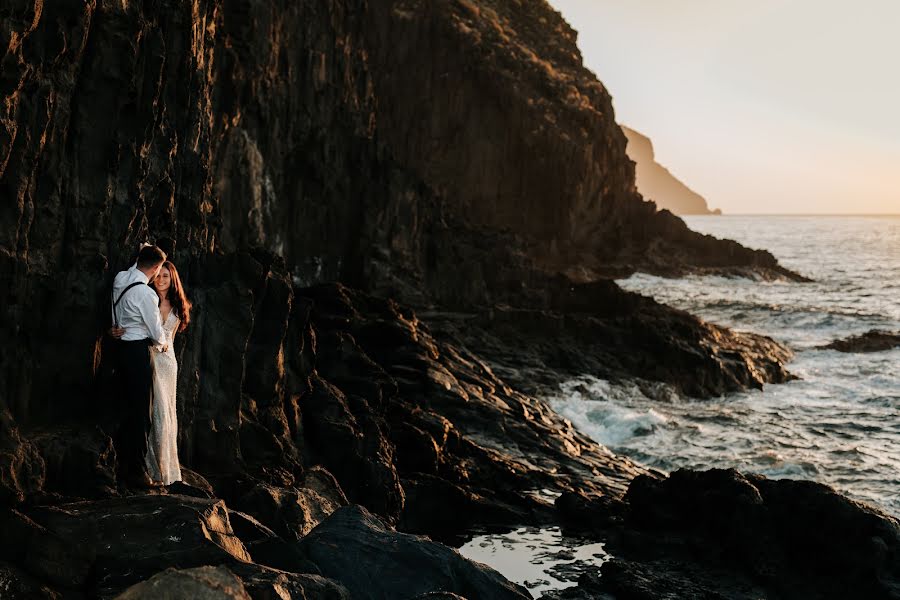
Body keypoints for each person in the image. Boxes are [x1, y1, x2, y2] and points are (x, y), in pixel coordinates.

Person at [109, 244, 168, 488]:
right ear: (156, 269)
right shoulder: (147, 294)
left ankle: (120, 466)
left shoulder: (120, 279)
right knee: (141, 412)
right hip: (138, 353)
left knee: (122, 407)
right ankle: (137, 472)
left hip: (119, 349)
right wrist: (163, 343)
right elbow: (156, 331)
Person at [143, 260, 191, 485]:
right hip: (148, 358)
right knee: (151, 412)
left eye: (166, 277)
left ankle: (165, 470)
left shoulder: (178, 305)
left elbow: (167, 338)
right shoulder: (148, 299)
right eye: (158, 276)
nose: (161, 280)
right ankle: (150, 466)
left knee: (165, 413)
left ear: (173, 280)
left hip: (167, 362)